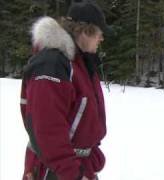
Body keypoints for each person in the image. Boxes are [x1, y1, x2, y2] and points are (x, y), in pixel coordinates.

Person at [20, 0, 111, 179]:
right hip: (55, 170)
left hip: (75, 167)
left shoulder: (81, 64)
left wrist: (89, 153)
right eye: (99, 33)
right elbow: (46, 129)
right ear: (85, 31)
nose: (101, 39)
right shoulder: (52, 64)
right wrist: (73, 173)